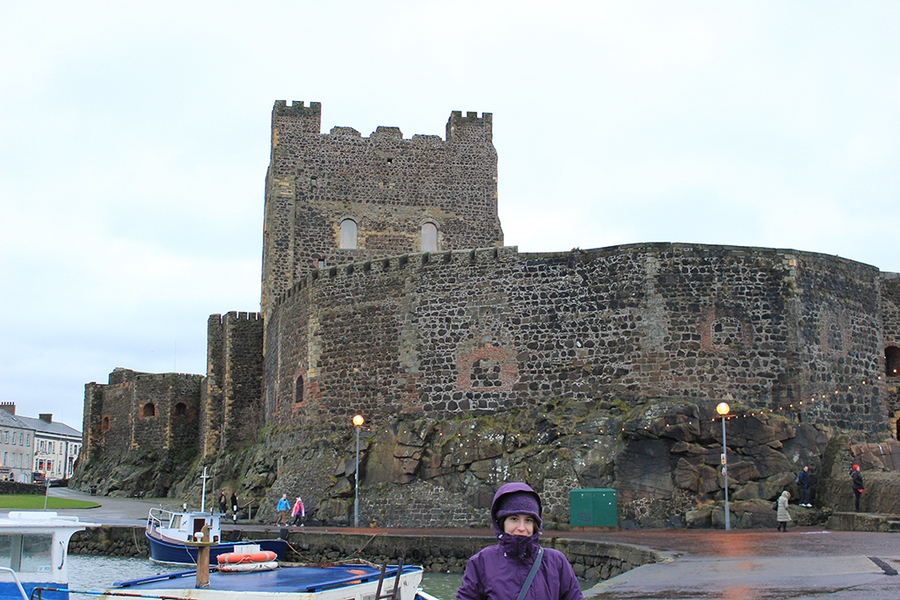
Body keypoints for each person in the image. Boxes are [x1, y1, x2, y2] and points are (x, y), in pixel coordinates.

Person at [456, 482, 584, 600]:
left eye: (528, 520)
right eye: (514, 519)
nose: (521, 528)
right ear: (502, 523)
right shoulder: (482, 562)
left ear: (536, 525)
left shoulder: (556, 562)